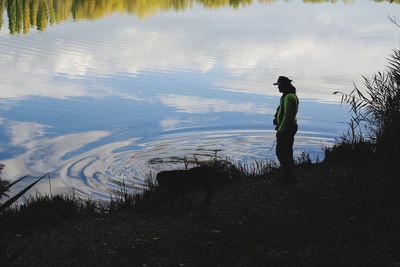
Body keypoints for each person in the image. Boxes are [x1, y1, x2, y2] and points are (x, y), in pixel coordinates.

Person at [273, 76, 299, 184]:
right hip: (288, 127)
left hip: (287, 128)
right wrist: (276, 119)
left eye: (279, 85)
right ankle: (288, 174)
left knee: (280, 152)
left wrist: (281, 130)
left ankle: (288, 176)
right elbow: (280, 110)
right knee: (287, 152)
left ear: (284, 85)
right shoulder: (287, 96)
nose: (278, 87)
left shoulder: (289, 97)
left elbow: (288, 116)